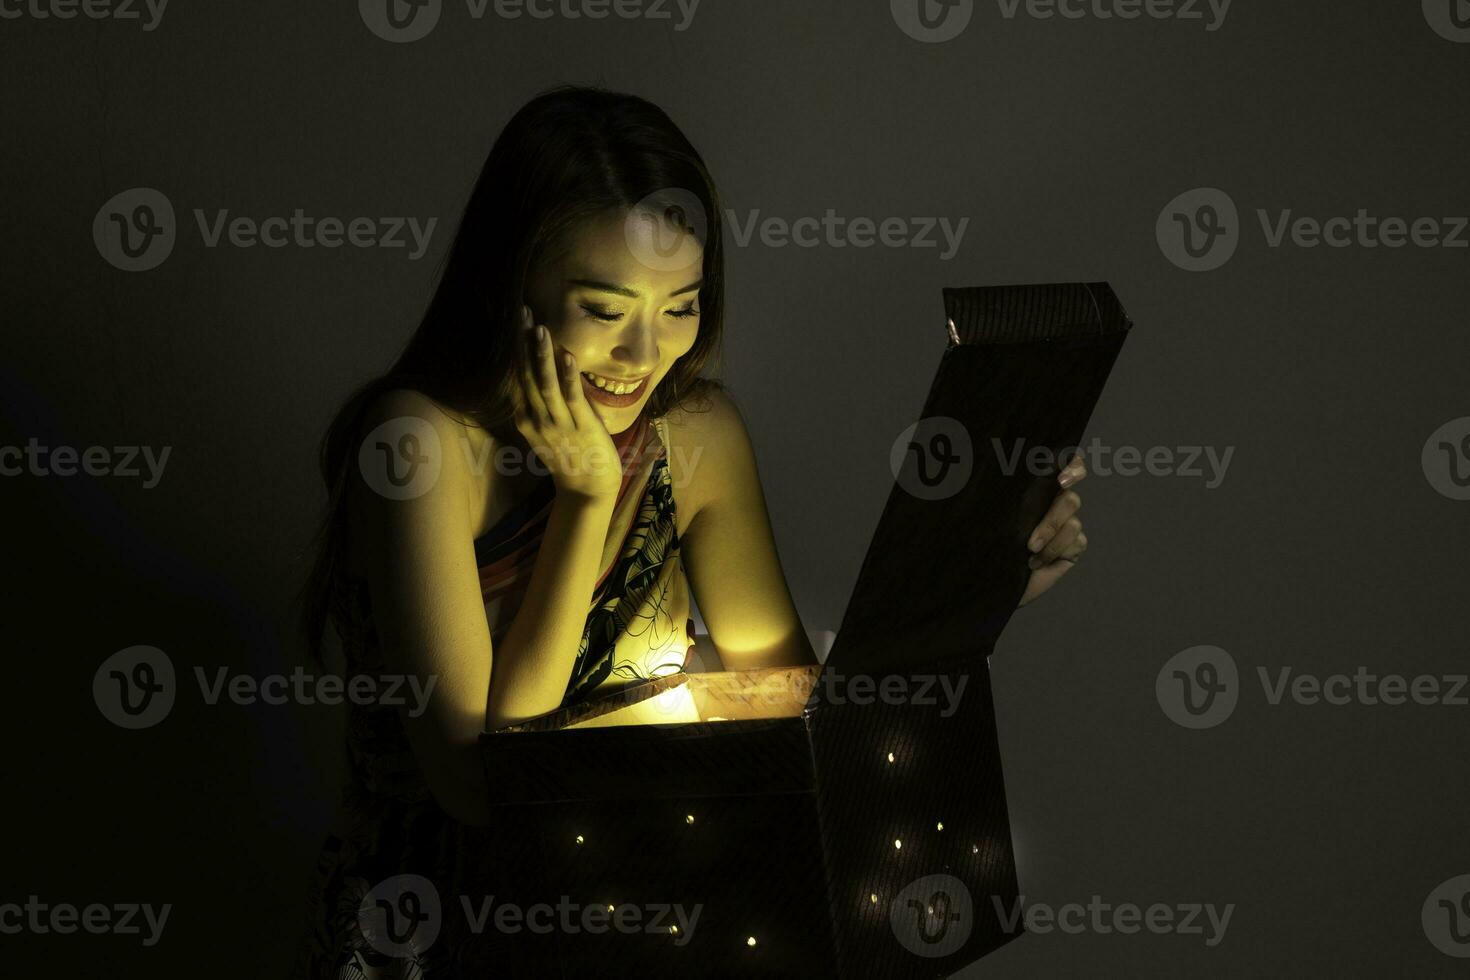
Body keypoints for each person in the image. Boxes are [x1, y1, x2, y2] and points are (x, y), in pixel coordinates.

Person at [291, 84, 1090, 977]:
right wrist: (587, 499)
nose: (645, 355)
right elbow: (484, 786)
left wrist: (980, 585)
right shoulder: (420, 445)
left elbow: (793, 708)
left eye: (681, 305)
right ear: (513, 284)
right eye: (604, 309)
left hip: (638, 914)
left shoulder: (698, 436)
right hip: (441, 930)